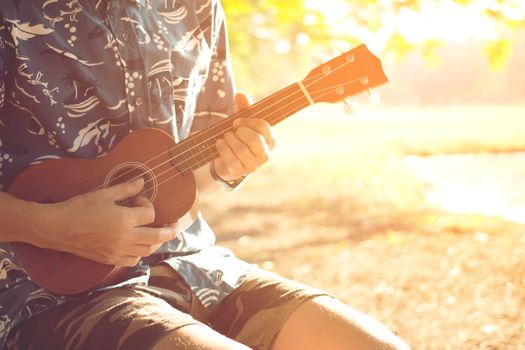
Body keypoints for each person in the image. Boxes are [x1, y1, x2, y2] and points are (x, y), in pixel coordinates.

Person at [0, 1, 410, 349]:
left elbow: (190, 176)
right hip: (44, 292)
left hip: (193, 264)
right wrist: (48, 227)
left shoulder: (197, 8)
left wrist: (226, 164)